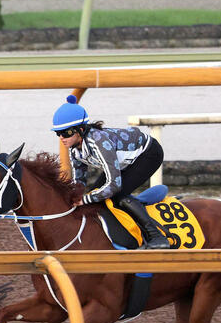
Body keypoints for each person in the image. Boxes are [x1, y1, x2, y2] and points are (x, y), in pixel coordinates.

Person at [52, 95, 170, 250]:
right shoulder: (75, 151)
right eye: (58, 133)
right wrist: (70, 198)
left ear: (80, 130)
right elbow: (79, 183)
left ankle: (157, 237)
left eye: (66, 133)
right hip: (125, 161)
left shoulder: (99, 142)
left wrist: (86, 200)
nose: (62, 138)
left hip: (148, 153)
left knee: (116, 194)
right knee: (97, 193)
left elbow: (114, 185)